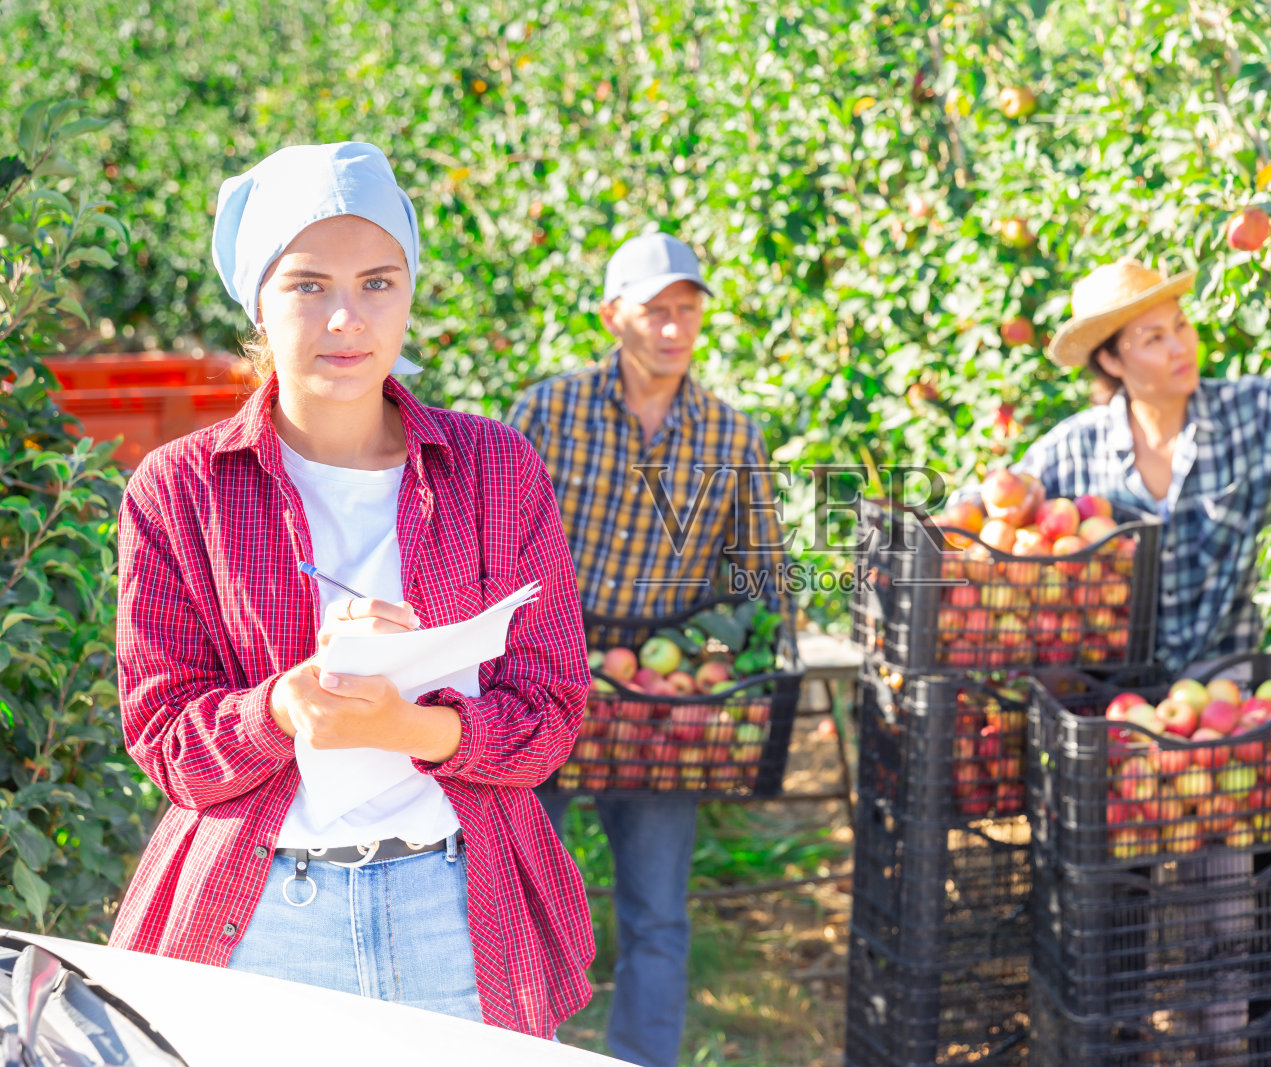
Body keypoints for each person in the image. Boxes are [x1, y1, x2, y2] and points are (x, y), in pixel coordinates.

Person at [112, 142, 594, 1038]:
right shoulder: (180, 490)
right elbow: (166, 741)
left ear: (410, 290)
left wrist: (405, 726)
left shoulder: (496, 471)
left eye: (378, 282)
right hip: (264, 924)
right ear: (256, 298)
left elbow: (553, 713)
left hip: (454, 909)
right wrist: (283, 708)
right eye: (306, 285)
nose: (346, 317)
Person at [507, 233, 790, 1067]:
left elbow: (757, 579)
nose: (673, 327)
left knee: (657, 907)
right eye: (655, 310)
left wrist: (714, 664)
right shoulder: (549, 410)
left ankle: (641, 1059)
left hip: (664, 690)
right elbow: (493, 538)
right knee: (523, 893)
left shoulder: (731, 433)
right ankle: (523, 1047)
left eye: (688, 310)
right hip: (546, 672)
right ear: (612, 315)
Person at [1003, 256, 1271, 673]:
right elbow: (990, 510)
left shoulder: (1247, 415)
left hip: (1227, 703)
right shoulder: (1075, 448)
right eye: (1155, 339)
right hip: (1105, 704)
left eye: (1180, 326)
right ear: (1110, 360)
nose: (1180, 347)